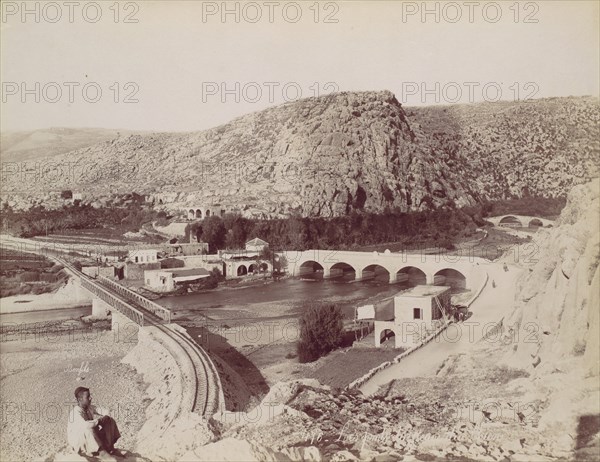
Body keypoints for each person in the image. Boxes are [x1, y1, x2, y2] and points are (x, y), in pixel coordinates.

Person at [67, 387, 123, 460]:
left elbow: (106, 411)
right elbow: (86, 425)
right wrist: (99, 421)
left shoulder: (89, 407)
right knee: (88, 429)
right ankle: (102, 453)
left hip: (90, 437)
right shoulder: (75, 413)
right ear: (80, 399)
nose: (90, 398)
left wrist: (105, 418)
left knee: (109, 420)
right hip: (79, 442)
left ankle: (110, 447)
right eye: (88, 397)